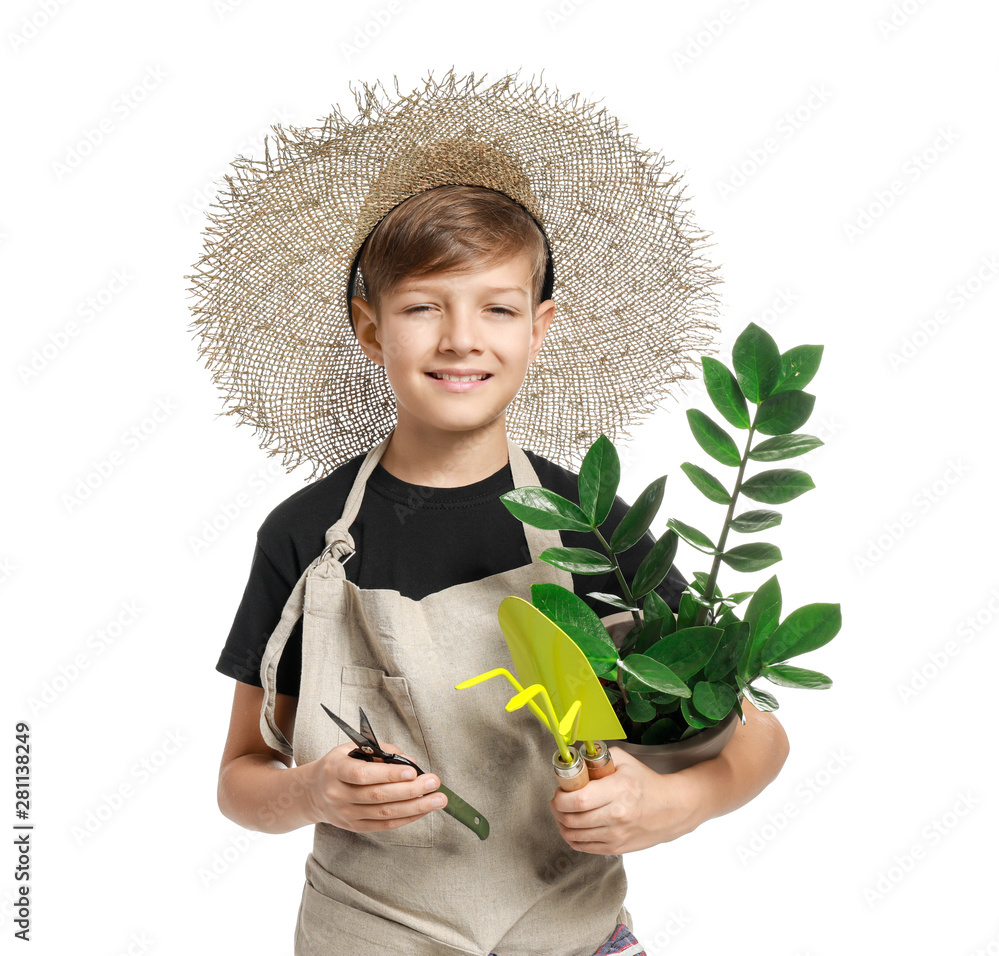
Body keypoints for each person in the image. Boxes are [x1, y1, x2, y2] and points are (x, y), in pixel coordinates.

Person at [192, 71, 788, 956]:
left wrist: (673, 802)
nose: (461, 338)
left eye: (497, 308)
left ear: (539, 328)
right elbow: (242, 779)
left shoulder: (596, 533)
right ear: (371, 329)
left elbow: (757, 736)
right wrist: (313, 791)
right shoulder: (306, 536)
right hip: (366, 934)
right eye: (423, 307)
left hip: (572, 934)